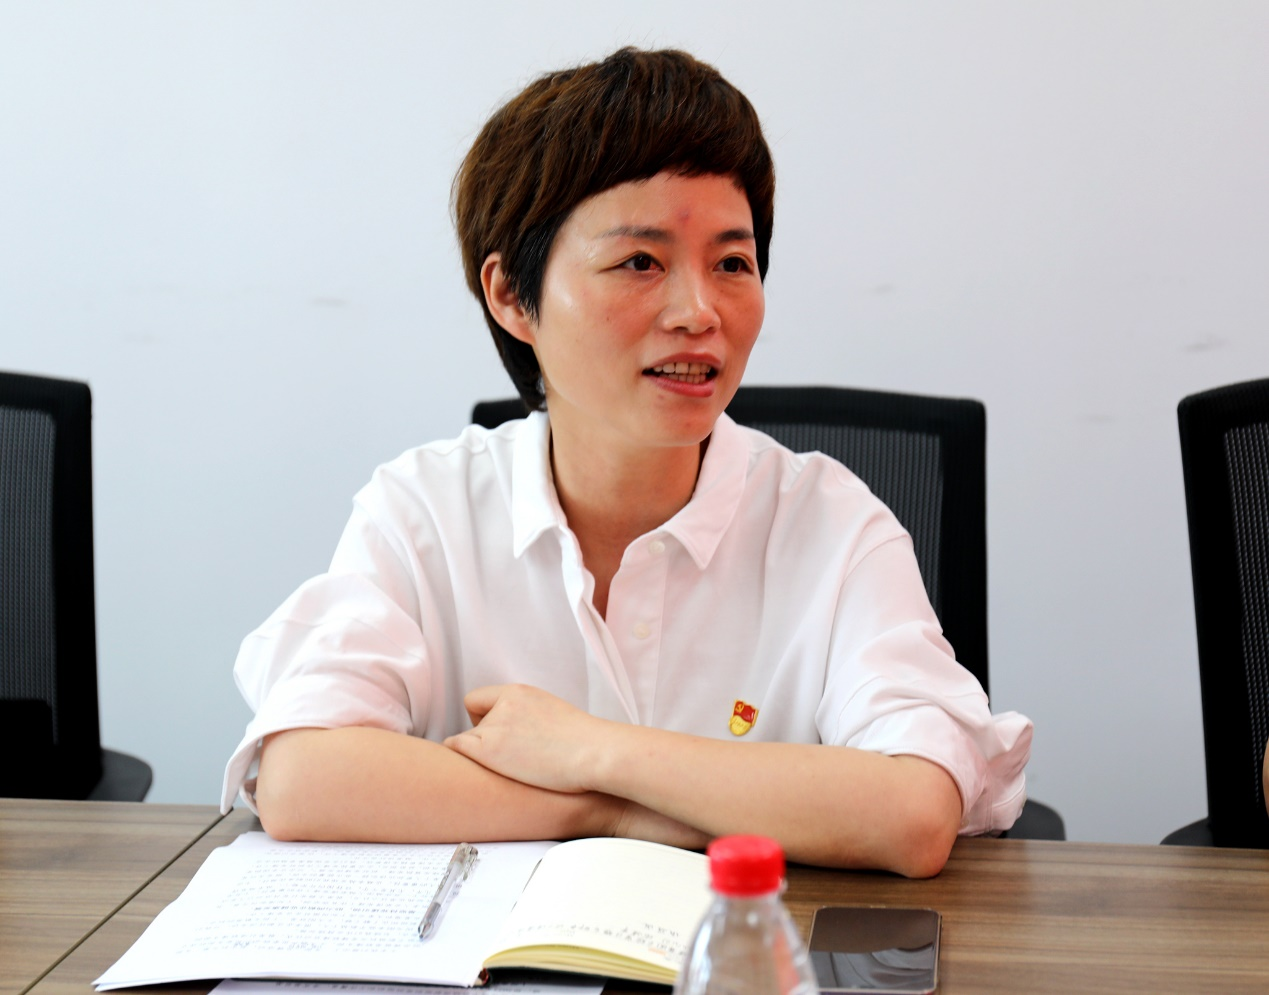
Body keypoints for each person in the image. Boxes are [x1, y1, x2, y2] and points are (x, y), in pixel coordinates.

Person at [222, 46, 1031, 878]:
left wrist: (591, 750)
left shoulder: (830, 522)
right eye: (639, 262)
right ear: (511, 296)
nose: (698, 311)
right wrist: (606, 809)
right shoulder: (424, 509)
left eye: (732, 263)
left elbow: (912, 811)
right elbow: (303, 778)